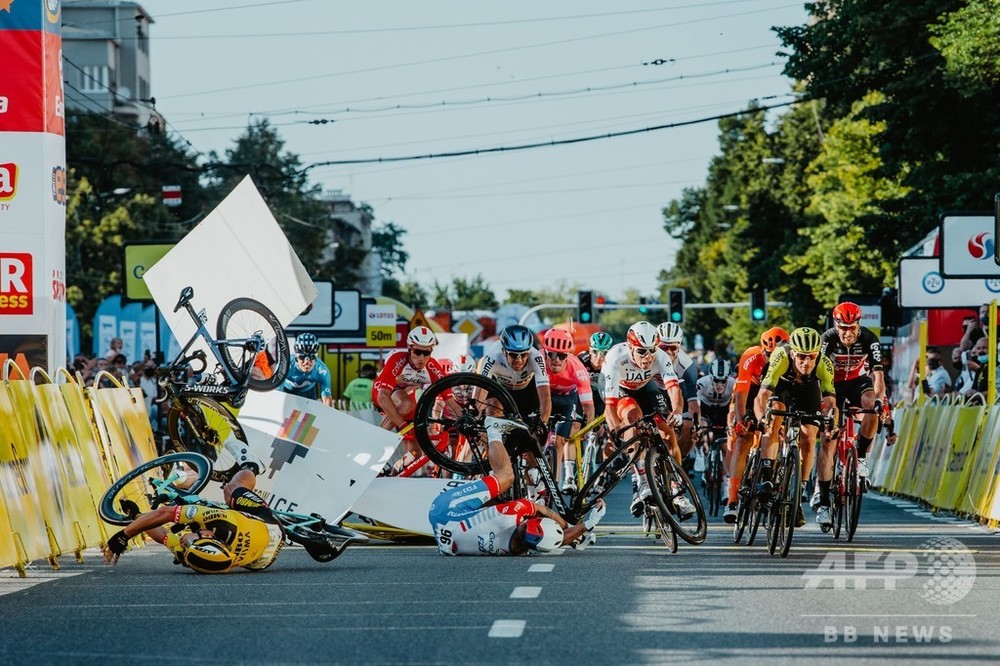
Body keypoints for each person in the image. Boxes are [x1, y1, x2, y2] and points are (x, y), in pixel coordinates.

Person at [429, 417, 605, 555]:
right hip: (445, 539)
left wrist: (575, 527)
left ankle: (493, 429)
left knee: (507, 476)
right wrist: (586, 526)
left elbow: (541, 510)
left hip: (445, 510)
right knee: (491, 506)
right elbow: (556, 541)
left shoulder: (513, 513)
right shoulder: (518, 549)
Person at [103, 442, 283, 573]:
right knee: (231, 490)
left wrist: (136, 515)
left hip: (262, 562)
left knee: (194, 515)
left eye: (187, 546)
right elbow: (165, 513)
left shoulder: (194, 555)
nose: (184, 542)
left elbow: (163, 535)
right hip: (270, 527)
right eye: (190, 541)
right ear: (208, 535)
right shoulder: (222, 523)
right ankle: (251, 465)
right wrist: (123, 536)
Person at [602, 321, 693, 518]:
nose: (648, 356)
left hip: (645, 388)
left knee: (668, 433)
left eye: (651, 350)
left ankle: (677, 488)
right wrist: (615, 429)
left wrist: (677, 413)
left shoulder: (660, 356)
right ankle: (641, 482)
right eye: (642, 351)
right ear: (631, 347)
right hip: (621, 391)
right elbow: (609, 406)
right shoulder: (616, 358)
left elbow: (674, 389)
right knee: (633, 419)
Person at [754, 327, 838, 529]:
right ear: (793, 353)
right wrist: (761, 419)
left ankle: (798, 493)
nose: (806, 362)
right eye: (801, 357)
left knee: (809, 436)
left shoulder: (824, 364)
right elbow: (762, 396)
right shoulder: (781, 356)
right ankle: (767, 477)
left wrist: (831, 423)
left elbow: (831, 403)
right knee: (773, 418)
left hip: (807, 391)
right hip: (781, 385)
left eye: (811, 357)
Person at [817, 302, 887, 502]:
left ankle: (862, 458)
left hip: (857, 381)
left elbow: (878, 376)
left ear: (859, 324)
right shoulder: (827, 339)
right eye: (843, 328)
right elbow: (817, 375)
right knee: (828, 440)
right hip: (833, 385)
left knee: (872, 404)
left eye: (852, 327)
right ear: (836, 325)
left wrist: (879, 402)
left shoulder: (869, 338)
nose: (847, 332)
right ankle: (821, 496)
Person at [722, 326, 788, 523]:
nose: (771, 357)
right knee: (743, 440)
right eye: (768, 353)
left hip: (775, 391)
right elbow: (741, 393)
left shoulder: (789, 358)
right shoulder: (751, 356)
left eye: (775, 353)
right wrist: (742, 420)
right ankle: (732, 501)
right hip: (751, 391)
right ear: (762, 349)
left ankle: (772, 483)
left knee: (776, 433)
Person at [541, 328, 595, 493]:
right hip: (543, 396)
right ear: (545, 353)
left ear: (568, 356)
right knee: (534, 437)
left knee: (559, 442)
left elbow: (588, 406)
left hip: (566, 399)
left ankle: (554, 484)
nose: (556, 360)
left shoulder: (577, 369)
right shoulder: (537, 361)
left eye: (562, 356)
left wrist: (587, 428)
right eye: (552, 355)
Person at [373, 326, 455, 432]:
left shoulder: (432, 366)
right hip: (382, 391)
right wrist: (402, 426)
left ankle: (380, 436)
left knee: (413, 445)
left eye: (426, 353)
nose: (421, 358)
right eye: (417, 352)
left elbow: (450, 402)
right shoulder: (398, 359)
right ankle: (377, 439)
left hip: (406, 394)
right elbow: (382, 397)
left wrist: (470, 421)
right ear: (409, 348)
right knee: (406, 404)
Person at [479, 325, 552, 426]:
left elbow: (546, 396)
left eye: (524, 355)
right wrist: (476, 419)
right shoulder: (493, 356)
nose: (519, 360)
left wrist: (543, 423)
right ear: (504, 351)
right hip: (501, 390)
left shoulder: (536, 357)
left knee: (532, 426)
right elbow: (480, 391)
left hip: (526, 390)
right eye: (513, 355)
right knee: (492, 412)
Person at [656, 322, 700, 462]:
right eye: (663, 347)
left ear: (679, 346)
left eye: (673, 347)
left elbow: (693, 402)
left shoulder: (687, 366)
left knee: (689, 427)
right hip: (655, 391)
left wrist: (696, 424)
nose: (668, 352)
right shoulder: (648, 358)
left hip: (679, 392)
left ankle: (677, 463)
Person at [280, 333, 334, 407]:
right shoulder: (285, 365)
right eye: (302, 357)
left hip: (308, 392)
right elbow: (277, 393)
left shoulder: (321, 370)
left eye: (312, 357)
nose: (306, 362)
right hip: (287, 391)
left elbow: (327, 399)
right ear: (296, 357)